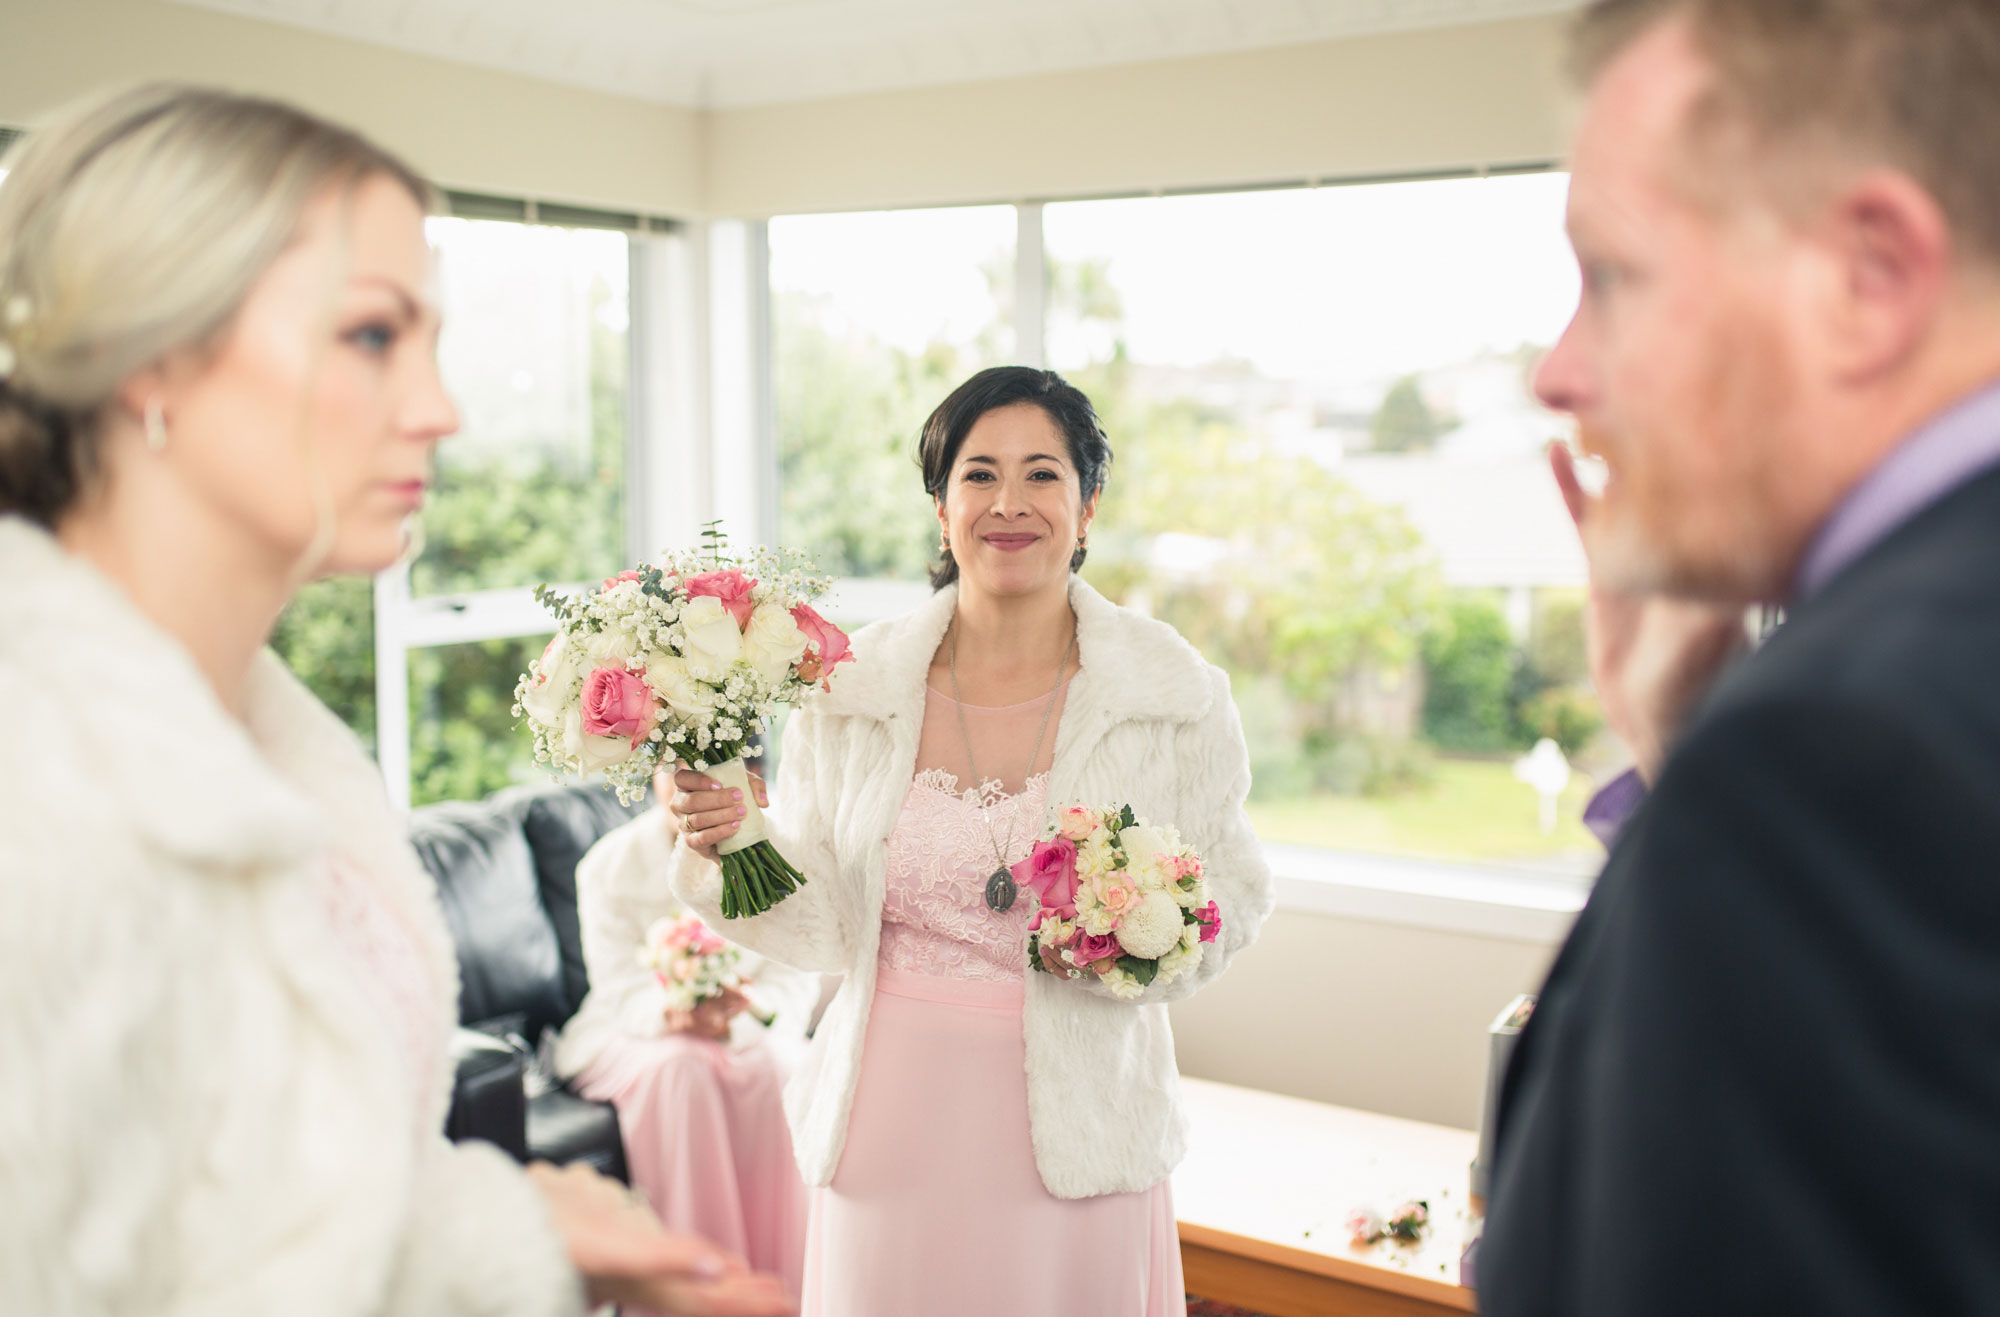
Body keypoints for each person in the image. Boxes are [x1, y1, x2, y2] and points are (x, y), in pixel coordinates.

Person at [0, 83, 790, 1317]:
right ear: (149, 354)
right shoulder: (39, 795)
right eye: (373, 335)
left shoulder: (263, 747)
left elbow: (244, 1211)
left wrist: (506, 1231)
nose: (441, 408)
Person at [1481, 0, 2000, 1312]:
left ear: (1870, 280)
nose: (1558, 368)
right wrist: (1676, 747)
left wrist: (1727, 771)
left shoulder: (1835, 760)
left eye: (1613, 277)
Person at [665, 366, 1274, 1316]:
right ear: (941, 510)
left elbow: (1232, 893)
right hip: (888, 1122)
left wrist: (1146, 942)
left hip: (1082, 1130)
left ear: (1088, 504)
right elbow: (826, 925)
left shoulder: (1173, 696)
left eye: (1042, 474)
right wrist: (732, 844)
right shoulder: (850, 688)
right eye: (979, 475)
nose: (1010, 503)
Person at [551, 768, 823, 1301]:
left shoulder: (780, 852)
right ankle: (699, 1291)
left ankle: (785, 1292)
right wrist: (672, 1016)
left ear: (748, 779)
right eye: (673, 772)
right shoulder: (610, 864)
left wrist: (745, 1011)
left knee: (779, 1070)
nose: (688, 788)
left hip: (749, 1025)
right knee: (682, 1069)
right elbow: (618, 987)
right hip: (636, 1029)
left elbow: (796, 972)